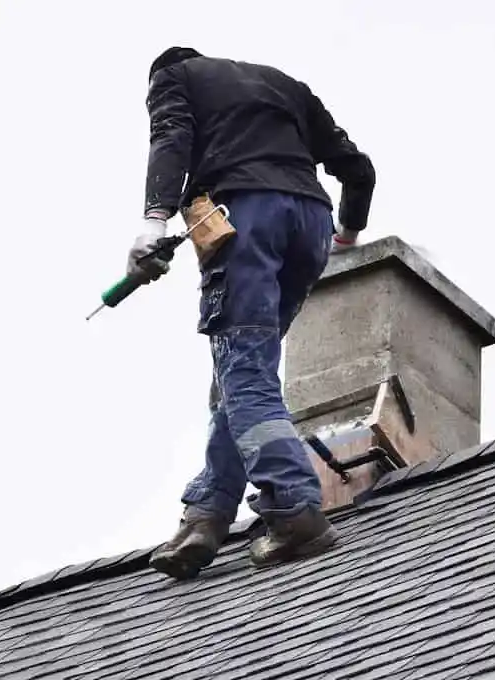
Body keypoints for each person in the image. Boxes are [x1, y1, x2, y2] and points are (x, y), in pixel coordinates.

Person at [132, 46, 375, 579]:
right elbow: (358, 170)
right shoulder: (283, 83)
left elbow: (170, 139)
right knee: (244, 372)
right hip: (310, 224)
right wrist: (348, 231)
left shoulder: (173, 76)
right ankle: (208, 513)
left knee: (244, 371)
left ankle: (294, 507)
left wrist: (154, 222)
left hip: (246, 217)